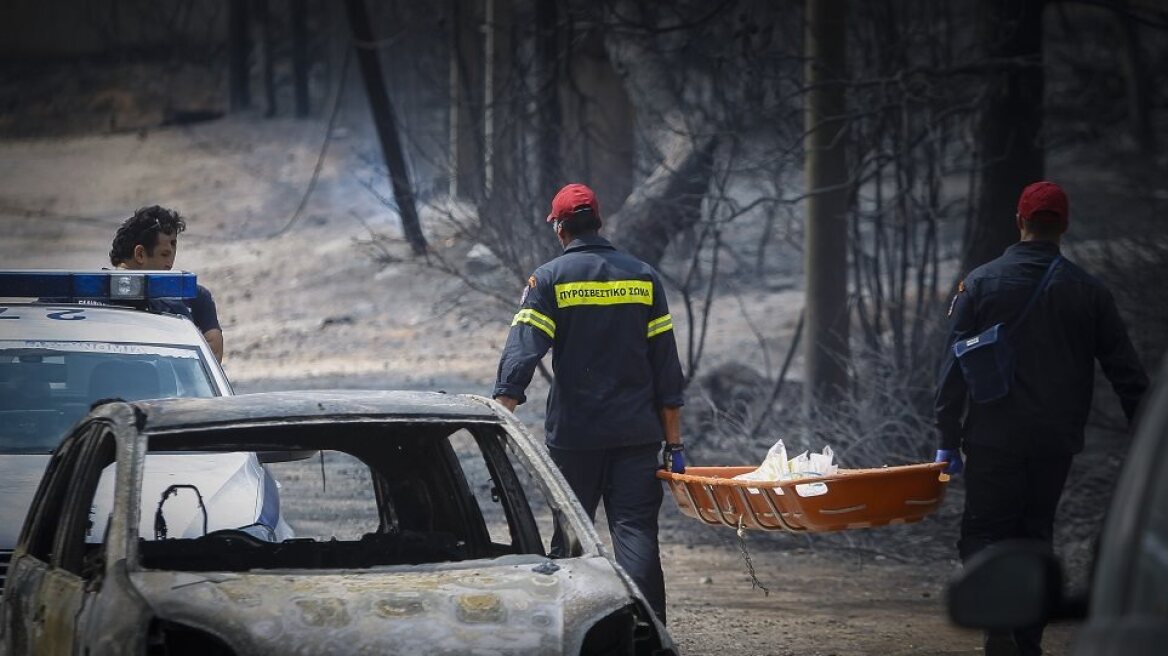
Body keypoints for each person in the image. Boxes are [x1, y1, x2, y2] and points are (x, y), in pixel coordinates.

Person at [934, 181, 1148, 656]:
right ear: (1064, 227)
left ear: (1019, 221)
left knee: (986, 532)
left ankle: (998, 628)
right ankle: (1026, 640)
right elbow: (1128, 376)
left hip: (991, 437)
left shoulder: (981, 282)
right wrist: (1151, 449)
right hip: (1055, 441)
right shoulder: (1089, 292)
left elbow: (952, 367)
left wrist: (946, 438)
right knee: (1036, 532)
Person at [492, 183, 686, 624]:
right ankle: (647, 632)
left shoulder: (549, 279)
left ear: (560, 228)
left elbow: (523, 353)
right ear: (598, 221)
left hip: (575, 437)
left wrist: (500, 420)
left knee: (571, 538)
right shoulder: (643, 277)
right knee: (636, 534)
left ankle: (565, 630)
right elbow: (666, 368)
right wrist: (674, 444)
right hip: (637, 435)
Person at [108, 205, 225, 362]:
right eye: (164, 254)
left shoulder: (189, 297)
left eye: (172, 252)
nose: (170, 263)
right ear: (140, 254)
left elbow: (213, 355)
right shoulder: (89, 298)